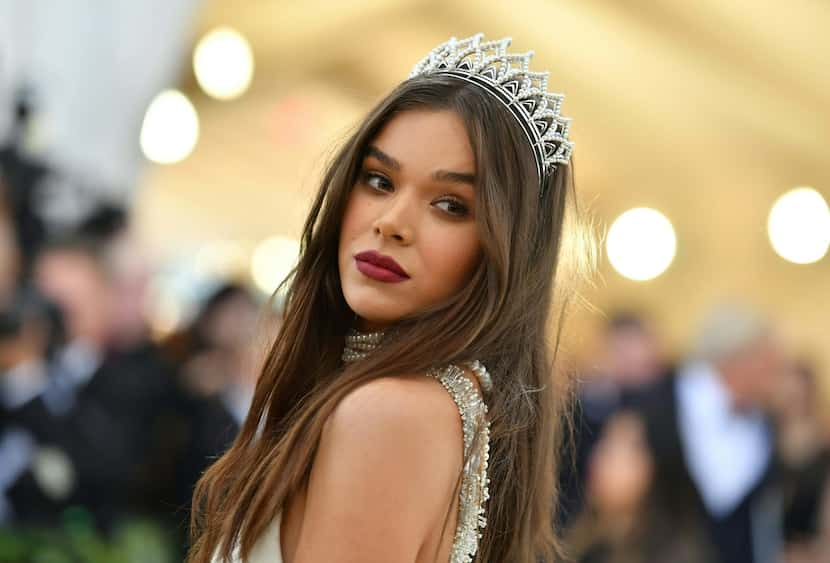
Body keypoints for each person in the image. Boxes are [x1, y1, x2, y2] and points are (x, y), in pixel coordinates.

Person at [188, 33, 579, 563]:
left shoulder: (390, 413)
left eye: (450, 205)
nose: (392, 223)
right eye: (378, 180)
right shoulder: (428, 403)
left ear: (505, 249)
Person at [637, 303, 786, 563]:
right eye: (769, 362)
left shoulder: (765, 426)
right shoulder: (657, 401)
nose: (776, 375)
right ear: (740, 358)